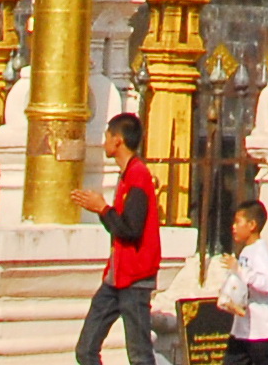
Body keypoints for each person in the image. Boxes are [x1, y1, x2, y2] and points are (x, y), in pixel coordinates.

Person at [69, 112, 166, 365]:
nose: (104, 142)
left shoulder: (138, 176)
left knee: (139, 356)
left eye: (107, 136)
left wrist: (102, 208)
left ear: (118, 140)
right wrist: (101, 209)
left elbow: (130, 229)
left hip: (135, 279)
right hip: (116, 277)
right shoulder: (127, 175)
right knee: (86, 349)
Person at [207, 197, 268, 364]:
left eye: (238, 222)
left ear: (252, 225)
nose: (233, 227)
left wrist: (240, 270)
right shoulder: (247, 251)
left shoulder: (260, 252)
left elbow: (267, 283)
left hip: (263, 332)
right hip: (244, 329)